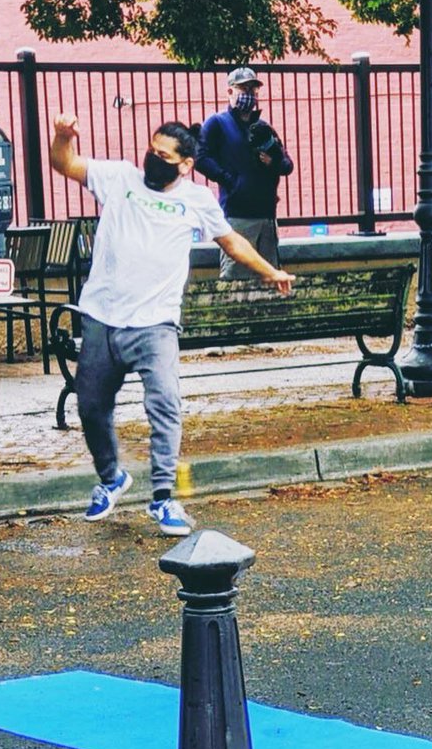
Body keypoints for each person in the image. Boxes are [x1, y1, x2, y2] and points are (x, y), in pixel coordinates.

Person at [49, 114, 294, 536]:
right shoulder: (120, 178)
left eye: (163, 156)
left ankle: (163, 497)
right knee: (90, 405)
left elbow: (231, 242)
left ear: (185, 164)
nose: (152, 159)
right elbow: (65, 164)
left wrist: (269, 271)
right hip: (102, 316)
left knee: (164, 405)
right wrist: (61, 136)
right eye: (151, 150)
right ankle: (111, 479)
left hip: (156, 324)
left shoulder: (196, 199)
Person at [193, 66, 293, 279]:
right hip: (237, 216)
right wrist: (229, 180)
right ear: (230, 91)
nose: (249, 94)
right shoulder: (217, 123)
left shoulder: (263, 127)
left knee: (269, 278)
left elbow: (287, 164)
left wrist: (273, 162)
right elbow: (200, 158)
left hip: (266, 216)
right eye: (243, 88)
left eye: (253, 89)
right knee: (235, 278)